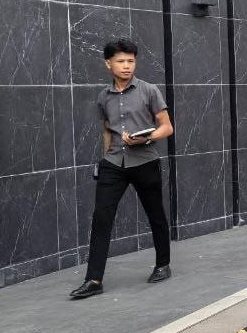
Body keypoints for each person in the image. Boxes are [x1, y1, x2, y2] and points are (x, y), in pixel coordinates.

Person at [71, 38, 174, 300]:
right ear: (109, 64)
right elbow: (107, 130)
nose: (127, 66)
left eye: (131, 61)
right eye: (121, 61)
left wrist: (146, 138)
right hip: (114, 163)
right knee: (101, 219)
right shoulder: (103, 97)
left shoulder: (149, 90)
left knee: (155, 214)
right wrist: (104, 158)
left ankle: (163, 264)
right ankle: (93, 279)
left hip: (145, 161)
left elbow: (166, 127)